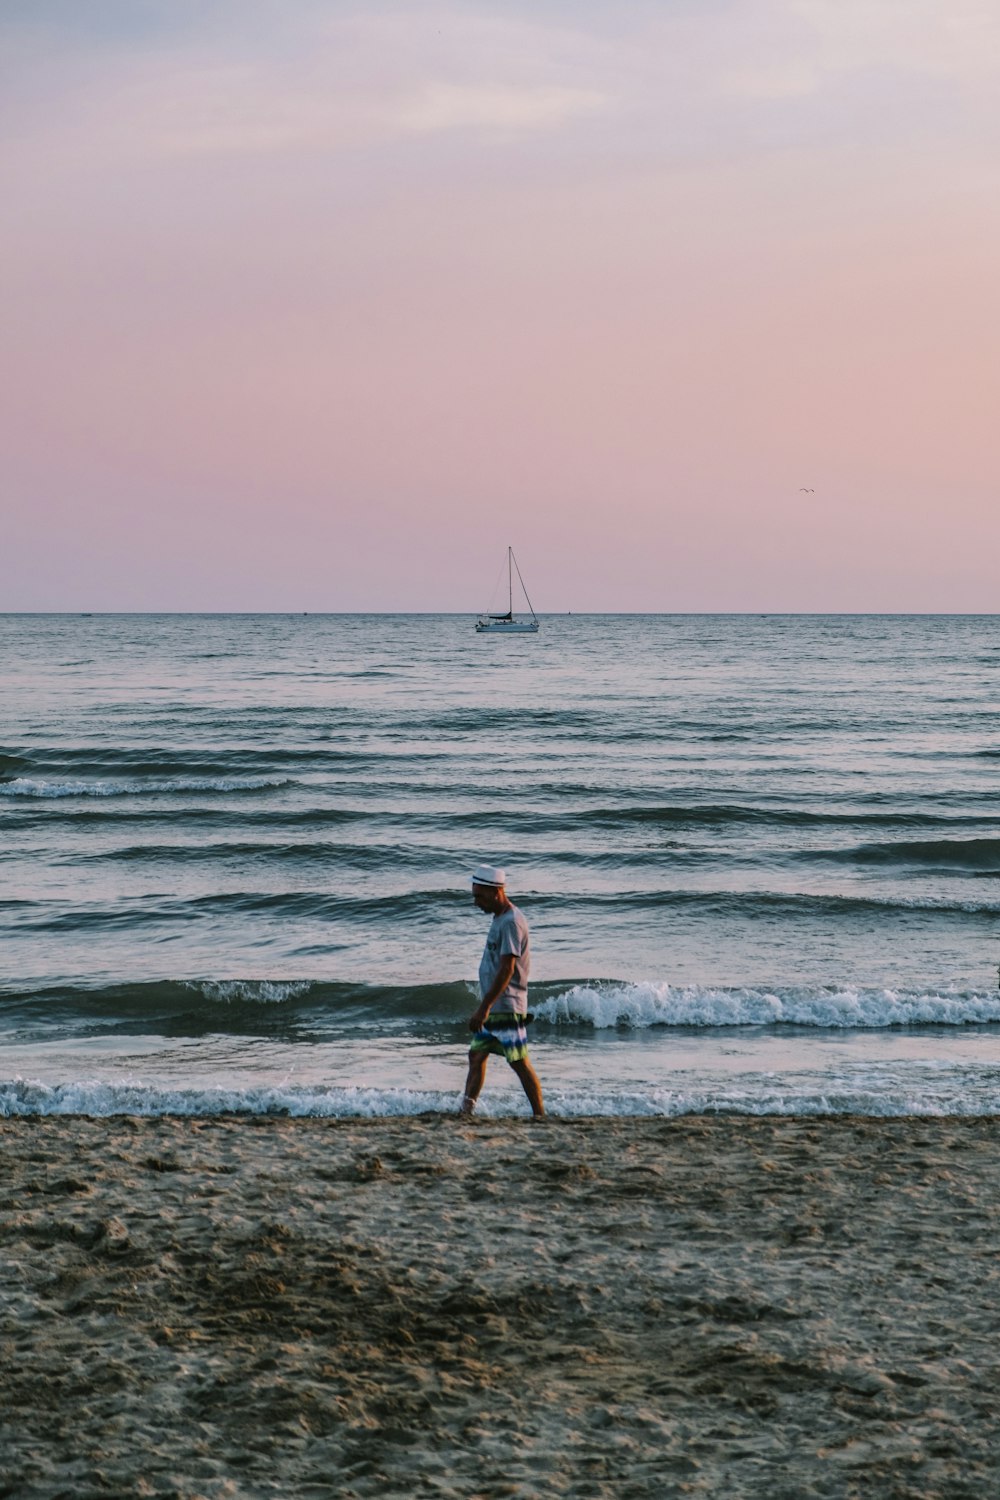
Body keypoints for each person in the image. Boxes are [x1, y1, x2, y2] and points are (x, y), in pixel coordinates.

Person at [460, 865, 545, 1118]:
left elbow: (507, 969)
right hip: (496, 1006)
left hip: (506, 1005)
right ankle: (466, 1112)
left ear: (495, 891)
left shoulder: (511, 922)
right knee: (476, 1056)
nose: (476, 902)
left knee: (518, 1061)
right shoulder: (501, 918)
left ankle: (540, 1114)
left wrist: (484, 1007)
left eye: (479, 896)